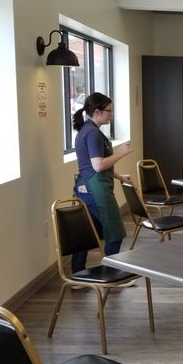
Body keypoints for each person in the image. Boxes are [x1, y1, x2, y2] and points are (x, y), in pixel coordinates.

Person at [71, 92, 133, 273]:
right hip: (96, 189)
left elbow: (92, 165)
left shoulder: (87, 131)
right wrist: (121, 152)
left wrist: (120, 177)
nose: (111, 115)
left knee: (87, 232)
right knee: (115, 232)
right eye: (108, 111)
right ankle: (111, 274)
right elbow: (98, 166)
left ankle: (77, 274)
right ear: (97, 112)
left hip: (85, 188)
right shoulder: (93, 134)